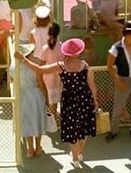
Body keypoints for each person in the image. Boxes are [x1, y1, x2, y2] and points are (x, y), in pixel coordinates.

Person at [16, 37, 97, 166]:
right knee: (84, 129)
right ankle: (80, 153)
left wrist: (23, 59)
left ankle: (75, 158)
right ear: (78, 52)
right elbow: (92, 86)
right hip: (84, 100)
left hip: (69, 101)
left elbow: (39, 69)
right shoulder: (85, 66)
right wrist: (95, 103)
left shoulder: (61, 66)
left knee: (72, 130)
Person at [105, 21, 131, 141]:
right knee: (118, 108)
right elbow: (109, 66)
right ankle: (113, 131)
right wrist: (118, 81)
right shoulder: (116, 48)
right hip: (122, 79)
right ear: (128, 34)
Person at [17, 42, 49, 158]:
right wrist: (46, 96)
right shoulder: (35, 64)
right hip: (36, 95)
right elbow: (40, 83)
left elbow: (12, 80)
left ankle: (30, 149)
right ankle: (38, 146)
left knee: (27, 122)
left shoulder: (15, 66)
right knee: (38, 121)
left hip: (23, 95)